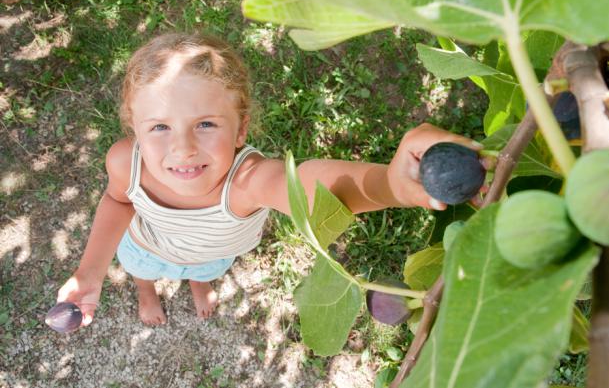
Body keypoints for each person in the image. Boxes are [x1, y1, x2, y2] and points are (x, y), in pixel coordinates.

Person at [56, 32, 484, 326]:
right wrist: (90, 273)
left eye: (205, 124)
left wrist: (387, 184)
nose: (182, 148)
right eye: (159, 127)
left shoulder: (244, 182)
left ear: (241, 130)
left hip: (212, 255)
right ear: (135, 128)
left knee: (204, 272)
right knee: (142, 272)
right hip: (144, 248)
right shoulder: (124, 162)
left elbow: (309, 186)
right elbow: (117, 202)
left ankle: (198, 285)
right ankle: (146, 293)